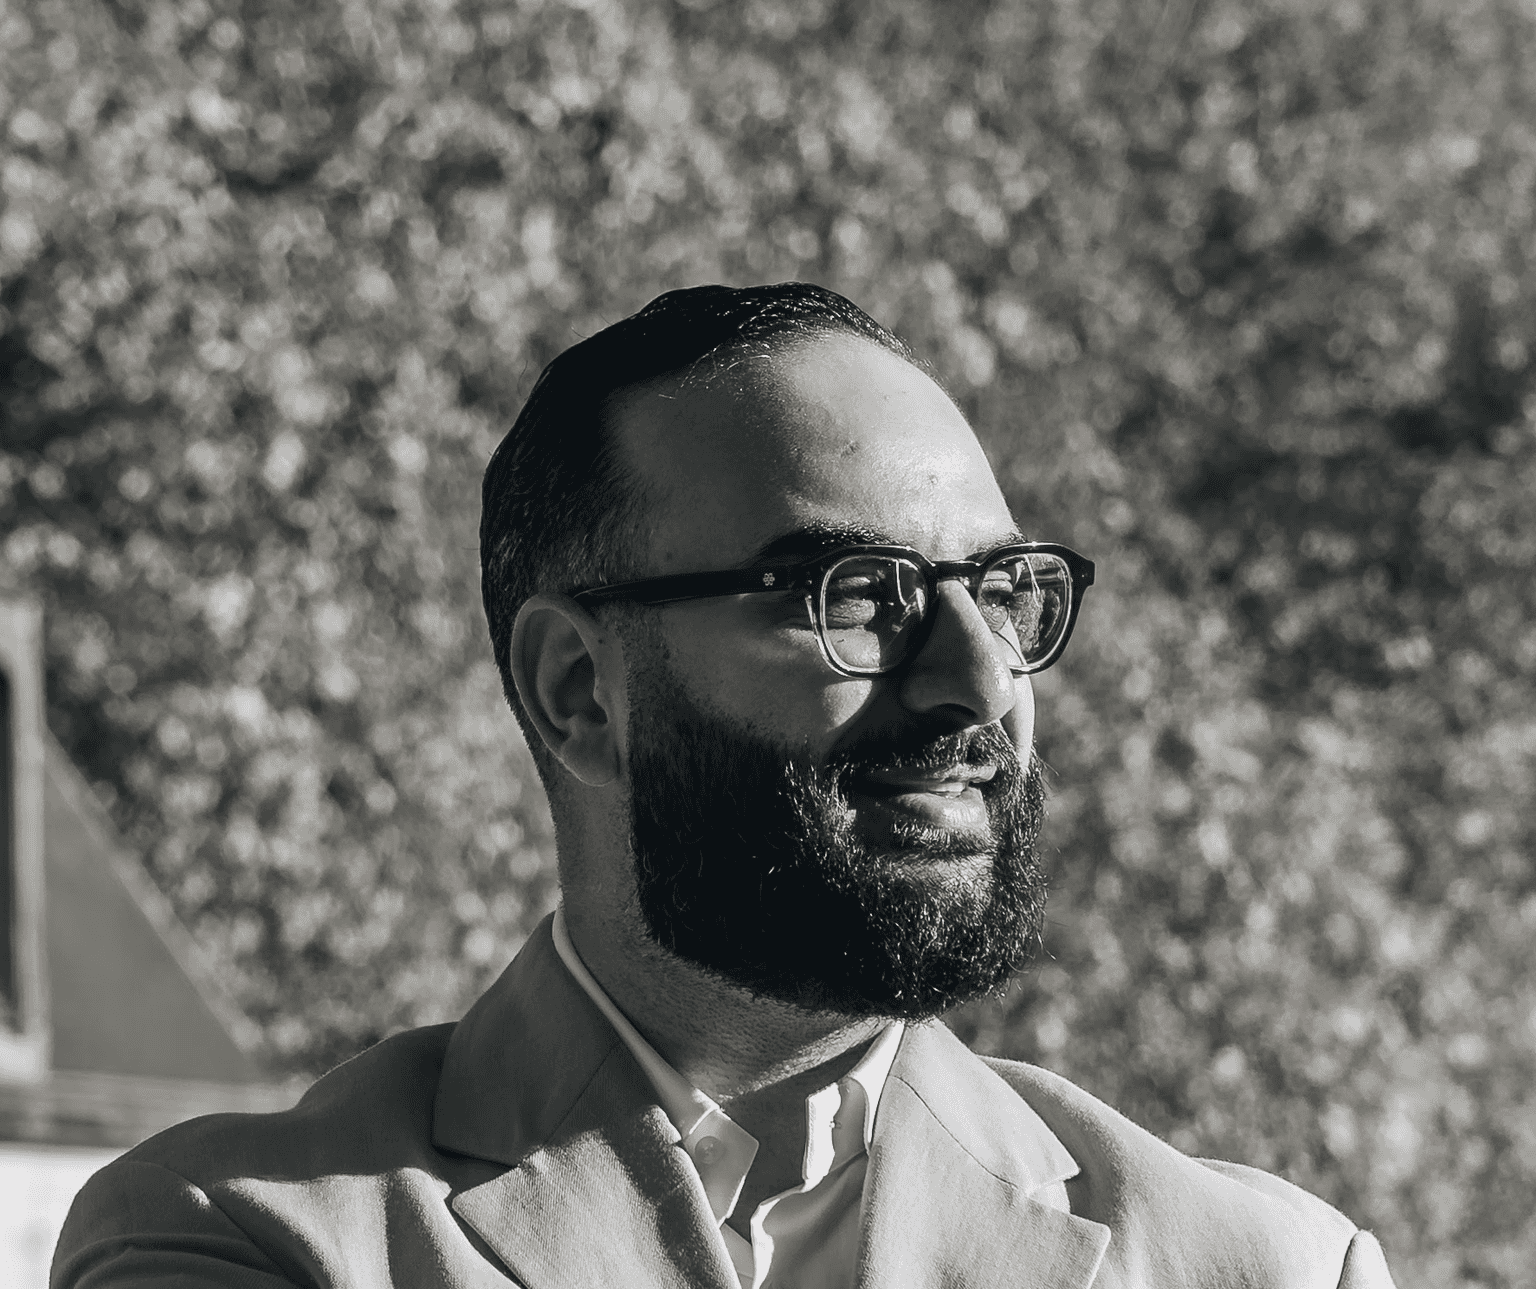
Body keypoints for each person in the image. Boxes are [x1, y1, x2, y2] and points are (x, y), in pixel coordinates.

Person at [52, 284, 1396, 1289]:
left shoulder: (1266, 1267)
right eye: (855, 595)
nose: (983, 685)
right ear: (580, 690)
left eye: (1003, 591)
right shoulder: (243, 1240)